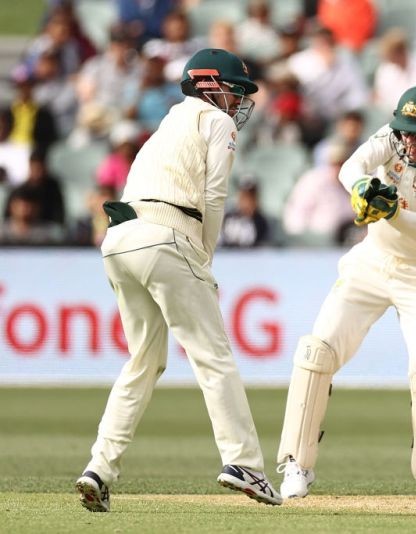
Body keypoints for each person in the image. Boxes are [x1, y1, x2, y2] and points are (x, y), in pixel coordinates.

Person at [74, 48, 282, 513]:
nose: (239, 101)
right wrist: (203, 257)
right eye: (234, 89)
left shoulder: (168, 122)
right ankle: (244, 463)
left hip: (121, 240)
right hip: (168, 236)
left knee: (143, 361)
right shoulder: (217, 121)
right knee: (213, 355)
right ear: (208, 83)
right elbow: (213, 194)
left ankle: (99, 469)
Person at [276, 85, 416, 500]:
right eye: (405, 132)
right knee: (317, 352)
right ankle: (296, 463)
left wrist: (389, 208)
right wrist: (365, 188)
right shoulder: (392, 137)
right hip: (370, 263)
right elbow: (350, 167)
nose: (409, 141)